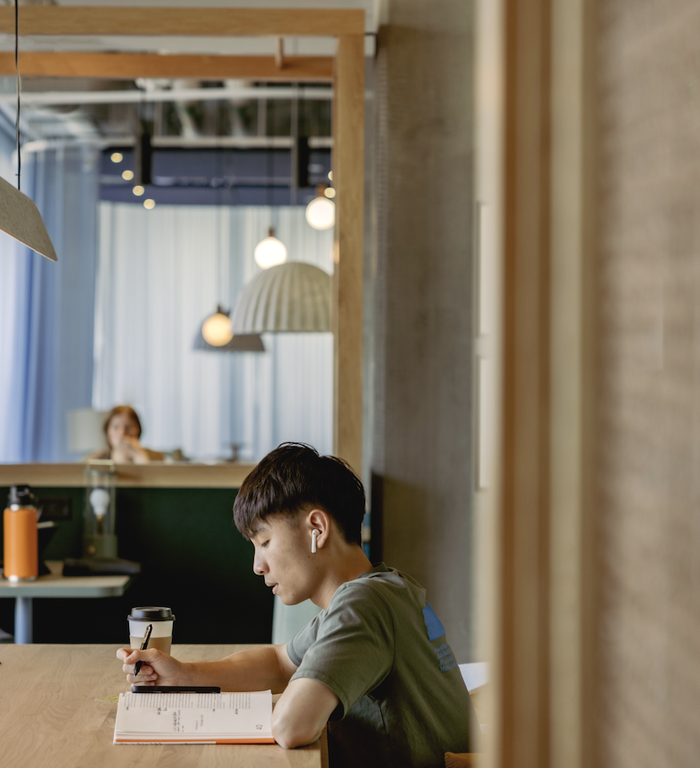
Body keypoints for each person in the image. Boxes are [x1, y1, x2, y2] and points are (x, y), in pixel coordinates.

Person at [117, 443, 476, 766]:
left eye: (265, 541)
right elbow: (280, 662)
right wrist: (183, 675)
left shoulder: (363, 604)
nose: (257, 565)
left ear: (316, 529)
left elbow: (292, 727)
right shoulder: (385, 588)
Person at [87, 405, 163, 464]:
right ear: (107, 431)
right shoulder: (92, 461)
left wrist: (138, 455)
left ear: (138, 430)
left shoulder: (156, 458)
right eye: (115, 427)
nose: (122, 433)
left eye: (128, 427)